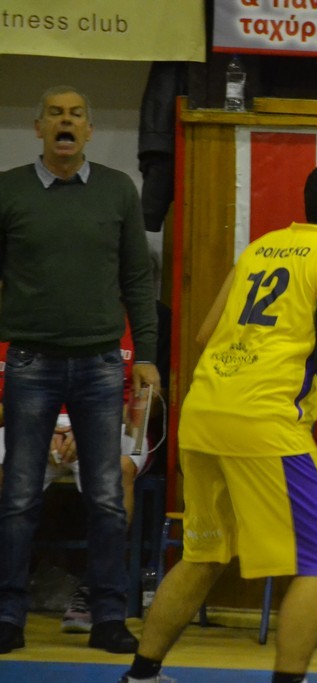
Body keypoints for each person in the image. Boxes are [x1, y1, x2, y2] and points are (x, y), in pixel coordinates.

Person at [121, 161, 317, 683]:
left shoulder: (262, 248)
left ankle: (141, 675)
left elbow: (204, 335)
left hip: (205, 411)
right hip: (265, 420)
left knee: (204, 554)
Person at [0, 85, 160, 656]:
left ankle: (108, 617)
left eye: (75, 115)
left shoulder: (118, 190)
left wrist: (146, 354)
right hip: (28, 363)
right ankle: (7, 616)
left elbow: (137, 279)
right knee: (19, 498)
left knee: (107, 500)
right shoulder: (8, 190)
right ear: (38, 127)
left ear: (89, 130)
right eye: (55, 114)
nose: (65, 122)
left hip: (100, 366)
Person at [0, 329, 157, 635]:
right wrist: (37, 425)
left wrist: (89, 427)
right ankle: (7, 597)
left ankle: (94, 590)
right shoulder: (22, 321)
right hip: (28, 419)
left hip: (109, 420)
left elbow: (151, 404)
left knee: (120, 470)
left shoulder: (128, 326)